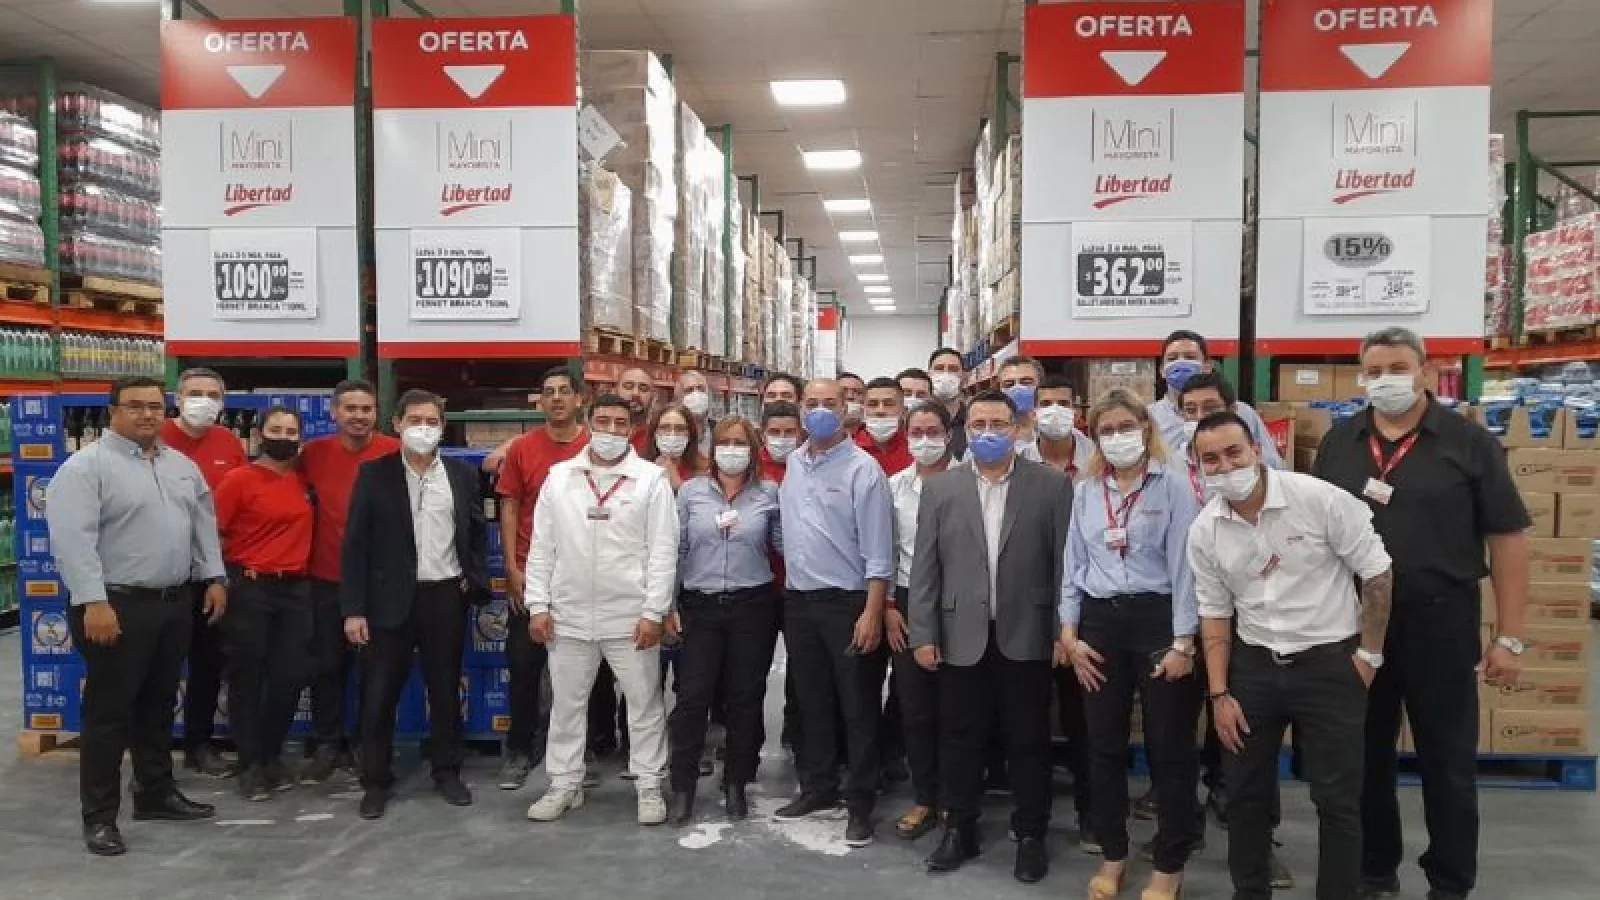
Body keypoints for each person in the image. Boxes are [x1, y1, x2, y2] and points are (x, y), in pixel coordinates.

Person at [1313, 327, 1531, 900]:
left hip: (1440, 621)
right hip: (1357, 625)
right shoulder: (1339, 443)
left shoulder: (1468, 443)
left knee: (1447, 760)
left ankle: (1450, 881)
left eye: (1398, 367)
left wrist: (1510, 637)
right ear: (1361, 377)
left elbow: (1508, 538)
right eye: (1374, 370)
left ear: (1426, 372)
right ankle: (1373, 868)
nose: (1385, 380)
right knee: (1362, 755)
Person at [1189, 411, 1394, 900]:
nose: (1225, 466)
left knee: (1337, 800)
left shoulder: (1319, 500)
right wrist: (1219, 694)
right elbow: (1214, 614)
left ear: (1257, 450)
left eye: (1234, 452)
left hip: (1330, 665)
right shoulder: (1205, 530)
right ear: (1198, 467)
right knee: (1244, 795)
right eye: (1211, 459)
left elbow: (1378, 573)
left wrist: (1369, 656)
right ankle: (1250, 891)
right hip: (1254, 668)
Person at [46, 376, 225, 856]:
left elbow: (203, 524)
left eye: (154, 406)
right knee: (108, 715)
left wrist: (213, 576)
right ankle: (99, 818)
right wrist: (93, 601)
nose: (147, 414)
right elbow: (73, 542)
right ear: (113, 411)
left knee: (159, 705)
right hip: (115, 605)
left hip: (173, 603)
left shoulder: (181, 467)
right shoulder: (86, 468)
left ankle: (155, 792)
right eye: (135, 406)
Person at [909, 390, 1071, 883]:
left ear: (1017, 428)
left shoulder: (1051, 485)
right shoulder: (942, 488)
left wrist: (1063, 630)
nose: (988, 433)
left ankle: (1031, 834)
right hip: (960, 634)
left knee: (1028, 740)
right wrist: (923, 633)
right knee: (959, 738)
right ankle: (959, 828)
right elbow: (925, 568)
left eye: (998, 424)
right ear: (966, 430)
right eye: (978, 424)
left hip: (1029, 632)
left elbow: (1065, 565)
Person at [1058, 391, 1202, 900]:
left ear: (1145, 427)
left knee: (1169, 746)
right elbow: (1073, 566)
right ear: (1095, 437)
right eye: (1106, 430)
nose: (1117, 437)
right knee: (1102, 745)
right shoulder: (1085, 492)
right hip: (1100, 622)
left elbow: (1186, 570)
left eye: (1125, 426)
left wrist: (1184, 642)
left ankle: (1169, 863)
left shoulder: (1174, 487)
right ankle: (1114, 854)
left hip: (1159, 619)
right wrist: (1070, 633)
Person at [523, 395, 679, 826]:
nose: (611, 430)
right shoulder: (560, 478)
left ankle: (649, 785)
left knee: (644, 704)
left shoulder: (650, 480)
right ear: (588, 423)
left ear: (632, 429)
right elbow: (542, 547)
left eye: (620, 423)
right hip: (569, 612)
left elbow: (663, 551)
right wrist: (538, 604)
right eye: (603, 421)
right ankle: (564, 784)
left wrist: (654, 612)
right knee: (567, 705)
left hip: (630, 615)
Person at [1168, 369, 1294, 887]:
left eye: (1210, 407)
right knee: (1178, 726)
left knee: (1247, 732)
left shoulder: (1259, 464)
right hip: (1184, 608)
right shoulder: (1167, 465)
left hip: (1246, 613)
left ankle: (1260, 843)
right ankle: (1183, 829)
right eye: (1190, 409)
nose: (1200, 416)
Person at [342, 390, 490, 820]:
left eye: (431, 421)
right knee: (379, 694)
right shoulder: (374, 474)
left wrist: (473, 579)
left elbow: (475, 532)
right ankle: (375, 781)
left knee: (445, 691)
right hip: (387, 601)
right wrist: (354, 609)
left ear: (443, 427)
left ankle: (447, 771)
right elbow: (355, 545)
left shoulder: (462, 476)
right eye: (415, 420)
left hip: (444, 596)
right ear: (397, 424)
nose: (423, 428)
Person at [774, 378, 894, 848]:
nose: (820, 410)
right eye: (812, 403)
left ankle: (860, 802)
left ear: (847, 410)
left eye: (830, 403)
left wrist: (872, 611)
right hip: (800, 602)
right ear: (800, 409)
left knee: (858, 707)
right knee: (812, 702)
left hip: (848, 603)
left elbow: (879, 552)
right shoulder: (794, 463)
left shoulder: (864, 471)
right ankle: (818, 786)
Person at [666, 416, 783, 824]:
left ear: (753, 449)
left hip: (753, 606)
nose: (733, 450)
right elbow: (677, 548)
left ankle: (736, 782)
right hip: (700, 607)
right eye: (725, 442)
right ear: (712, 449)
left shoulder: (769, 493)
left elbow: (783, 545)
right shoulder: (691, 493)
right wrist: (668, 604)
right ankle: (682, 786)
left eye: (740, 442)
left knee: (745, 698)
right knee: (692, 698)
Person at [298, 379, 399, 782]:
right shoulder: (312, 454)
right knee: (326, 666)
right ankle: (328, 742)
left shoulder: (394, 451)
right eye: (350, 408)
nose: (359, 416)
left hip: (379, 583)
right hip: (326, 578)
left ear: (377, 413)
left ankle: (365, 743)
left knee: (375, 670)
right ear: (334, 412)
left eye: (366, 409)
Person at [494, 367, 589, 791]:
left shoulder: (594, 447)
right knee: (523, 664)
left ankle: (582, 751)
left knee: (584, 670)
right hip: (532, 573)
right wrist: (512, 567)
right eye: (548, 392)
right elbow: (510, 506)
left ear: (579, 399)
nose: (556, 399)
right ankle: (519, 749)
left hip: (581, 575)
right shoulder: (522, 449)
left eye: (564, 392)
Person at [214, 406, 315, 801]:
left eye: (291, 431)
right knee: (247, 677)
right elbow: (214, 534)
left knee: (290, 676)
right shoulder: (238, 481)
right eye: (276, 430)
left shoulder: (303, 480)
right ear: (258, 435)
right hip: (251, 589)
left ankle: (271, 753)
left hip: (297, 590)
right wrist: (220, 581)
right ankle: (251, 762)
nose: (283, 438)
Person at [161, 366, 246, 778]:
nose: (203, 402)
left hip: (214, 573)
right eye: (195, 393)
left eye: (213, 395)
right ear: (177, 399)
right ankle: (152, 752)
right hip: (164, 574)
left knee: (209, 662)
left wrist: (219, 574)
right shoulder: (155, 438)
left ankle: (199, 743)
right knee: (158, 667)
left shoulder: (229, 442)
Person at [886, 403, 956, 842]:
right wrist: (890, 606)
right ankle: (925, 796)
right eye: (917, 432)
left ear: (949, 434)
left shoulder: (969, 481)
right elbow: (886, 549)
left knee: (957, 707)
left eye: (933, 431)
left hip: (959, 601)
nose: (925, 439)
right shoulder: (895, 487)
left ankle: (955, 797)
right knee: (914, 706)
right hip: (909, 598)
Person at [1150, 330, 1283, 468]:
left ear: (1207, 366)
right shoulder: (1150, 417)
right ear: (1162, 370)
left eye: (1190, 357)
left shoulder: (1242, 412)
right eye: (1172, 358)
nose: (1180, 363)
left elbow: (1273, 464)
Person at [1033, 374, 1093, 477]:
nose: (1055, 410)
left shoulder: (1095, 457)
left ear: (1076, 414)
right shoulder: (1020, 458)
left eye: (1063, 403)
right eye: (1046, 404)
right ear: (1034, 414)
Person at [646, 403, 708, 493]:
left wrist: (678, 485)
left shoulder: (704, 471)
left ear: (690, 435)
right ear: (654, 433)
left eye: (680, 429)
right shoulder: (641, 466)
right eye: (664, 428)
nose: (672, 434)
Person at [857, 376, 913, 474]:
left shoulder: (916, 447)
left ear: (904, 412)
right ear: (862, 411)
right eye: (873, 404)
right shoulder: (850, 448)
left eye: (888, 404)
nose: (880, 411)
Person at [997, 356, 1044, 458]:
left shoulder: (1055, 431)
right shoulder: (988, 435)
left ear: (1041, 386)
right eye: (1009, 384)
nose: (1017, 389)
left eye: (1026, 383)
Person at [928, 348, 969, 459]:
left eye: (953, 369)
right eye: (939, 368)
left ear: (964, 377)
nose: (945, 375)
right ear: (928, 375)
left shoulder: (973, 421)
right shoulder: (914, 420)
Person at [617, 366, 658, 456]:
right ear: (615, 391)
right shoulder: (596, 435)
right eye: (628, 387)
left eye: (643, 389)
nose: (635, 393)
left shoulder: (657, 440)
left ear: (653, 397)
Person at [760, 400, 802, 483]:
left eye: (789, 431)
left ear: (800, 434)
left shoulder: (811, 466)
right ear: (762, 435)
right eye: (774, 432)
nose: (782, 438)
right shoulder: (752, 467)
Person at [677, 369, 715, 455]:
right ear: (678, 398)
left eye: (701, 389)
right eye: (689, 390)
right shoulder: (672, 433)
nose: (697, 395)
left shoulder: (718, 431)